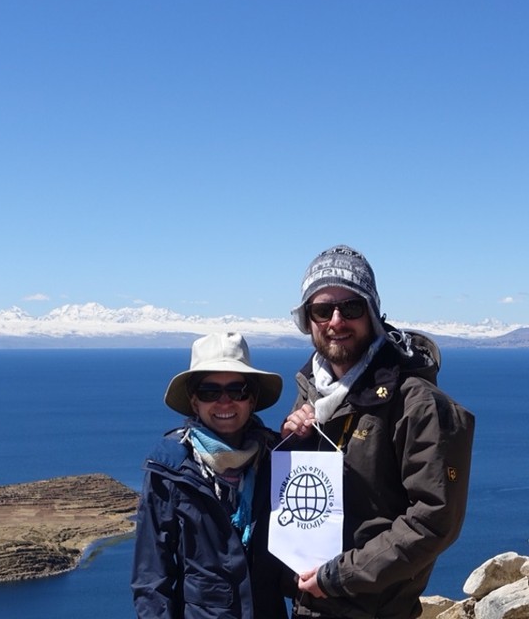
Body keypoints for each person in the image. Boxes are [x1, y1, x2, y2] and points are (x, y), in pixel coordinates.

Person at [281, 244, 475, 619]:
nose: (336, 320)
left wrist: (337, 577)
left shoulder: (416, 402)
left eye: (350, 306)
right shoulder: (313, 390)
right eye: (322, 310)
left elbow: (434, 520)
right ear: (308, 320)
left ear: (371, 312)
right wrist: (291, 442)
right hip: (309, 605)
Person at [132, 332, 289, 619]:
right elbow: (151, 579)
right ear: (195, 402)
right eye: (210, 392)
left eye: (237, 390)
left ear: (251, 399)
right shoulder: (169, 471)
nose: (225, 402)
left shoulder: (279, 459)